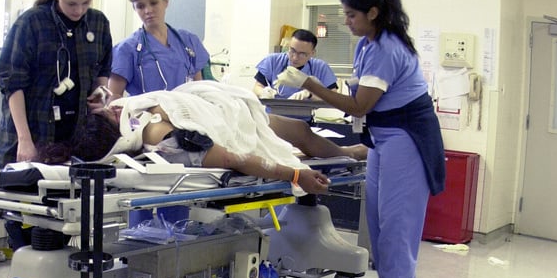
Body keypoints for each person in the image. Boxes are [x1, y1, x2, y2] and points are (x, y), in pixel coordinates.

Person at [275, 0, 445, 278]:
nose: (347, 22)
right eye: (345, 15)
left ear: (373, 13)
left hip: (407, 137)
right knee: (380, 220)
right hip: (384, 137)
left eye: (351, 15)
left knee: (398, 223)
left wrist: (308, 84)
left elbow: (359, 104)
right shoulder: (368, 45)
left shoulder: (386, 49)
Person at [0, 0, 113, 248]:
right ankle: (27, 277)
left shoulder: (97, 23)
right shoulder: (32, 23)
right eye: (72, 3)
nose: (79, 11)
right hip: (31, 133)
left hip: (71, 140)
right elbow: (12, 84)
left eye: (86, 3)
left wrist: (101, 94)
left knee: (62, 221)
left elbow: (102, 73)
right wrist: (24, 139)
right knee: (27, 225)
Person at [101, 80, 366, 196]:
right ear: (119, 132)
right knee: (298, 133)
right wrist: (296, 175)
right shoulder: (159, 135)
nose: (115, 109)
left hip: (224, 107)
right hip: (233, 123)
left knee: (299, 130)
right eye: (112, 115)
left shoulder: (130, 110)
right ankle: (353, 153)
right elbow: (231, 157)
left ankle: (352, 151)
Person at [109, 0, 209, 97]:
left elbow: (199, 89)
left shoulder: (188, 41)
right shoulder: (126, 49)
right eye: (140, 6)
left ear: (166, 1)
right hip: (145, 114)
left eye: (153, 3)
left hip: (185, 112)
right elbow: (113, 97)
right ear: (134, 8)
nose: (148, 10)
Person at [253, 29, 338, 102]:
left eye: (302, 54)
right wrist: (263, 92)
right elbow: (257, 87)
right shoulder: (272, 61)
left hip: (303, 119)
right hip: (273, 116)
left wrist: (310, 95)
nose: (295, 57)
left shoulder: (320, 67)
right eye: (292, 50)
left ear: (312, 53)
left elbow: (334, 97)